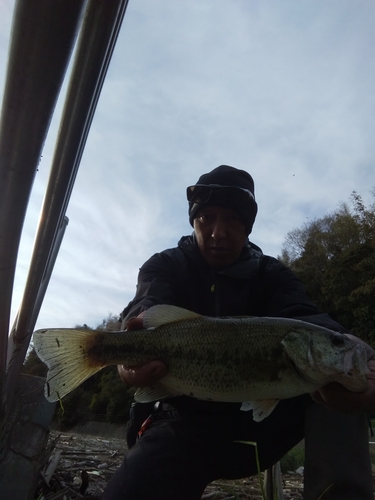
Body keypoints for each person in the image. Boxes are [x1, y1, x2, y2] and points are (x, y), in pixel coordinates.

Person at [101, 165, 375, 500]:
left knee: (338, 378)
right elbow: (147, 306)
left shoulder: (272, 275)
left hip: (265, 430)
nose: (218, 232)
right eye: (207, 219)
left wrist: (346, 342)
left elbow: (307, 316)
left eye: (233, 219)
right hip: (182, 422)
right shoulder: (165, 266)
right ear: (193, 221)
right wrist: (124, 358)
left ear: (247, 226)